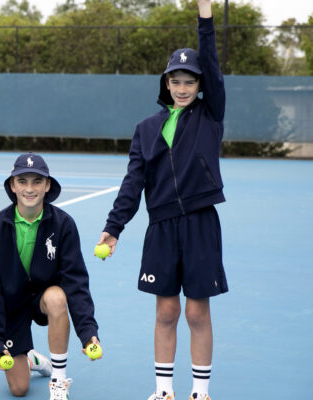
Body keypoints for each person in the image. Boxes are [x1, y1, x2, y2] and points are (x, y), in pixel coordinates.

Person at [96, 2, 226, 400]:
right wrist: (112, 228)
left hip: (200, 224)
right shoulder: (146, 129)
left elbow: (213, 65)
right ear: (165, 84)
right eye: (176, 81)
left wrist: (205, 15)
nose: (183, 88)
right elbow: (133, 182)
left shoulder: (210, 114)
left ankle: (200, 392)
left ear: (200, 85)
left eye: (190, 81)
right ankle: (164, 391)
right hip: (162, 229)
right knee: (166, 312)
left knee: (196, 312)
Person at [0, 153, 100, 400]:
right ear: (12, 186)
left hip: (44, 299)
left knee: (57, 297)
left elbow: (75, 281)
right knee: (19, 389)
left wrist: (88, 332)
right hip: (13, 308)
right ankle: (32, 357)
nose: (29, 188)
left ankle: (58, 381)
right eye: (22, 181)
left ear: (47, 185)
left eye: (36, 181)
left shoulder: (64, 224)